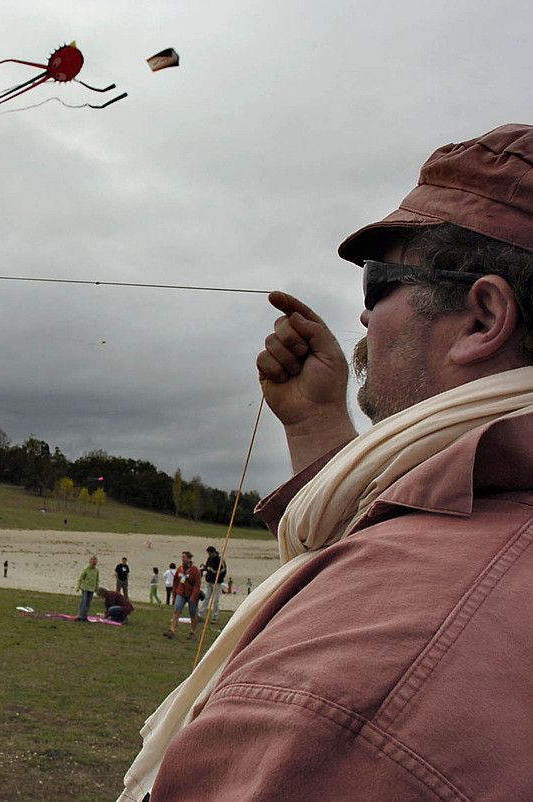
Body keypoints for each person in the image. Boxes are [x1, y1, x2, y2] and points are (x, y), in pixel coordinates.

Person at [123, 124, 533, 801]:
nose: (364, 319)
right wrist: (317, 426)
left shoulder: (367, 669)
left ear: (483, 317)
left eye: (377, 284)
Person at [163, 551, 200, 640]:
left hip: (192, 595)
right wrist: (174, 594)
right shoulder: (180, 569)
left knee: (193, 614)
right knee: (176, 611)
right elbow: (176, 581)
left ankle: (193, 632)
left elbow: (197, 585)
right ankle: (172, 630)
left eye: (184, 557)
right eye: (182, 557)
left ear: (189, 559)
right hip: (181, 593)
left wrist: (193, 597)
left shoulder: (195, 570)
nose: (182, 559)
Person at [198, 545, 225, 622]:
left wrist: (214, 572)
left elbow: (223, 570)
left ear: (213, 552)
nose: (209, 555)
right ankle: (200, 614)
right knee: (206, 598)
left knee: (215, 600)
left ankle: (215, 617)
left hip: (217, 582)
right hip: (209, 580)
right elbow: (207, 566)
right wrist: (204, 568)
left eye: (210, 553)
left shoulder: (220, 559)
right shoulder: (209, 558)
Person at [75, 556, 99, 622]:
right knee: (84, 602)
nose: (94, 563)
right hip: (85, 588)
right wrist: (78, 586)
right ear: (90, 562)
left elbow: (97, 580)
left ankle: (85, 617)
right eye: (92, 561)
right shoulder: (86, 569)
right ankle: (80, 616)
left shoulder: (97, 571)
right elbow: (81, 578)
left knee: (88, 603)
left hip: (91, 589)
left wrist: (96, 588)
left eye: (95, 561)